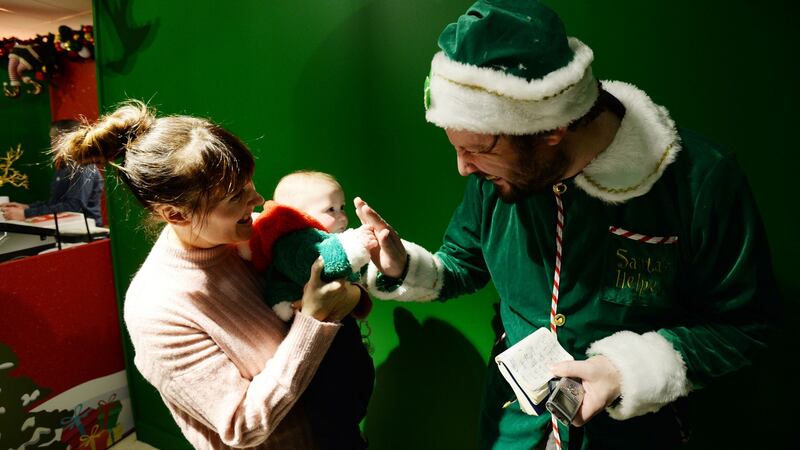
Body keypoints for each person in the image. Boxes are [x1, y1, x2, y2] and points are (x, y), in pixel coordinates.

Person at [354, 1, 777, 449]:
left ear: (550, 129)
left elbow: (744, 324)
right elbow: (462, 262)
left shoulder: (700, 181)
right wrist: (402, 267)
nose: (464, 168)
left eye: (478, 148)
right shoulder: (497, 174)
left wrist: (623, 371)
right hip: (513, 432)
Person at [53, 100, 364, 449]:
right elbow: (241, 426)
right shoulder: (157, 310)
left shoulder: (254, 239)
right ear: (176, 214)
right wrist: (315, 318)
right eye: (236, 196)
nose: (258, 198)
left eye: (249, 184)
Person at [245, 170, 376, 449]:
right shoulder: (295, 242)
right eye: (331, 209)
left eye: (341, 208)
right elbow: (325, 265)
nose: (342, 217)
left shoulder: (324, 237)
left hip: (336, 330)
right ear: (296, 214)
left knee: (353, 389)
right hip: (317, 347)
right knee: (335, 416)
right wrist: (358, 246)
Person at [0, 119, 105, 226]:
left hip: (86, 233)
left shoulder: (84, 167)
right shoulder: (64, 167)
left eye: (53, 138)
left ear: (64, 139)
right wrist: (26, 207)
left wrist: (26, 213)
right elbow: (54, 203)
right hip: (65, 228)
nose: (51, 144)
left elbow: (73, 207)